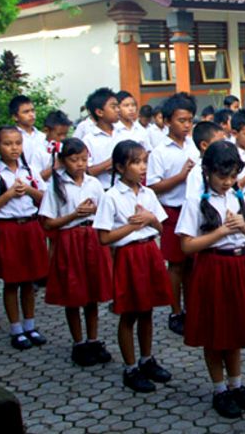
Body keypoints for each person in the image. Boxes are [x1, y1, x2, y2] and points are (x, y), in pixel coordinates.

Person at [177, 141, 245, 418]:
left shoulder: (237, 197)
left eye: (232, 176)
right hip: (213, 268)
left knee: (235, 330)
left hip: (240, 267)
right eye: (222, 176)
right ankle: (219, 389)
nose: (228, 182)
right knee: (215, 333)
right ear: (207, 172)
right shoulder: (195, 202)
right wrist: (221, 232)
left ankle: (236, 384)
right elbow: (187, 246)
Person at [94, 140, 174, 392]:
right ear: (119, 167)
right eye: (135, 162)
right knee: (129, 313)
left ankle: (147, 358)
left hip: (150, 251)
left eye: (144, 162)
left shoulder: (148, 193)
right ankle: (130, 367)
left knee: (148, 310)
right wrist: (133, 226)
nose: (142, 168)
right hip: (128, 256)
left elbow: (161, 227)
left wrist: (150, 218)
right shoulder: (111, 197)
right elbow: (104, 238)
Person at [39, 137, 113, 366]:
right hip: (69, 241)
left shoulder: (93, 183)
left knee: (92, 293)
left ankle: (93, 339)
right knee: (73, 294)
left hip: (91, 238)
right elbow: (48, 223)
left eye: (84, 159)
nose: (80, 164)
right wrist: (75, 215)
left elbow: (105, 212)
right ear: (62, 161)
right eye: (74, 160)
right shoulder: (56, 186)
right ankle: (78, 342)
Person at [0, 126, 47, 350]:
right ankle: (16, 328)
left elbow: (44, 199)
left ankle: (30, 325)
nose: (14, 148)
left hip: (30, 227)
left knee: (29, 280)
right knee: (12, 281)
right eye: (8, 144)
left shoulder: (29, 171)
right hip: (7, 229)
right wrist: (8, 194)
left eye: (17, 143)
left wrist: (27, 190)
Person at [146, 93, 198, 336]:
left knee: (192, 264)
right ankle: (175, 311)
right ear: (167, 121)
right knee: (176, 264)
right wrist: (181, 176)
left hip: (194, 210)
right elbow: (153, 186)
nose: (186, 125)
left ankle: (191, 308)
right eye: (181, 120)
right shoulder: (159, 151)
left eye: (189, 120)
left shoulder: (194, 145)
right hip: (173, 211)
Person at [81, 88, 122, 189]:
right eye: (113, 107)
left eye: (118, 106)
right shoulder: (89, 140)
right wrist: (111, 163)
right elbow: (86, 172)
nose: (118, 110)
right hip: (102, 190)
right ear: (99, 112)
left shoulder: (124, 134)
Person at [31, 110, 73, 181]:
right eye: (59, 134)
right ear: (46, 131)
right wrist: (55, 166)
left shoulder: (67, 148)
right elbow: (36, 180)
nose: (63, 138)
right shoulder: (39, 151)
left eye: (65, 134)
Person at [9, 94, 48, 160]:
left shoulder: (43, 137)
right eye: (26, 112)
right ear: (15, 117)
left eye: (33, 111)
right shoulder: (11, 138)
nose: (31, 115)